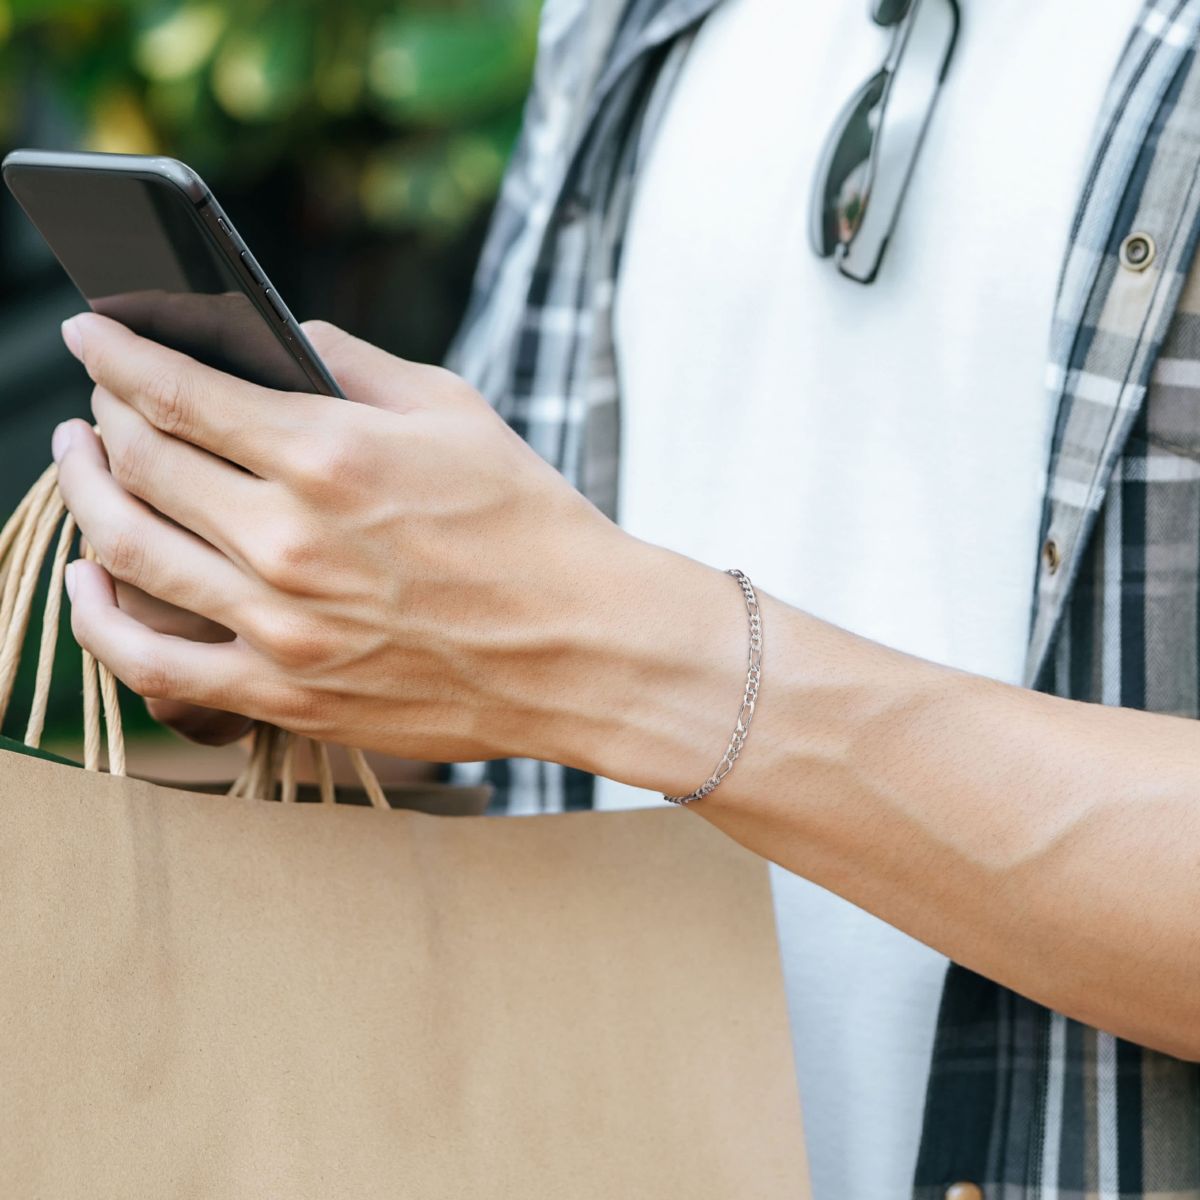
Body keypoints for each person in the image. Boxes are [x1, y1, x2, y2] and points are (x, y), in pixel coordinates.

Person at [46, 0, 1200, 1196]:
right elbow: (499, 664)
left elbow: (553, 632)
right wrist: (277, 610)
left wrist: (601, 655)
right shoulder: (617, 19)